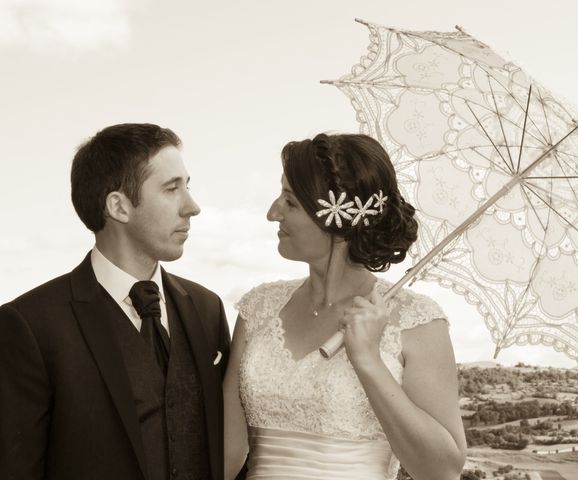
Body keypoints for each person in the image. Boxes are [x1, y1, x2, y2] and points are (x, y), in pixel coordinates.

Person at [223, 133, 467, 480]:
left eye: (290, 202)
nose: (272, 212)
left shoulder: (417, 322)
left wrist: (368, 361)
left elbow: (442, 471)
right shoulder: (258, 309)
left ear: (335, 217)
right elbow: (225, 456)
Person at [0, 124, 231, 480]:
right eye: (172, 189)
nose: (192, 206)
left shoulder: (207, 309)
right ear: (118, 206)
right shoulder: (30, 325)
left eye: (188, 185)